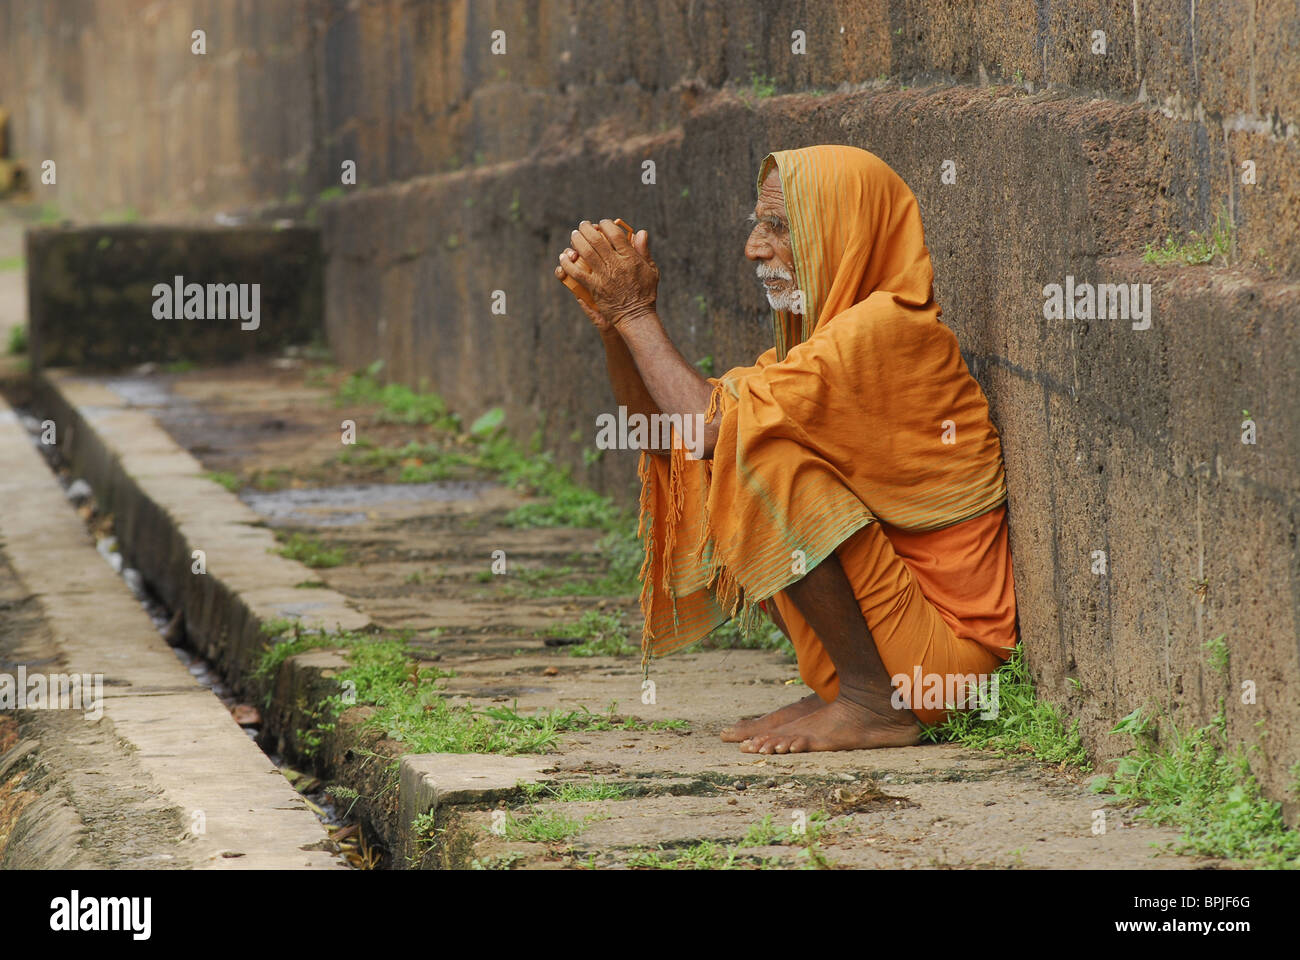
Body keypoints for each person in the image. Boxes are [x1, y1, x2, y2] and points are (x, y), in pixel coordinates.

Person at [555, 144, 1017, 754]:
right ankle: (851, 689)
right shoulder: (822, 344)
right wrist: (619, 330)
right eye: (758, 225)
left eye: (778, 227)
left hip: (942, 668)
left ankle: (873, 704)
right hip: (898, 646)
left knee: (756, 450)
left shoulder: (889, 329)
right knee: (734, 443)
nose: (754, 247)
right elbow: (667, 436)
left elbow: (711, 428)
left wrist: (637, 312)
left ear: (843, 232)